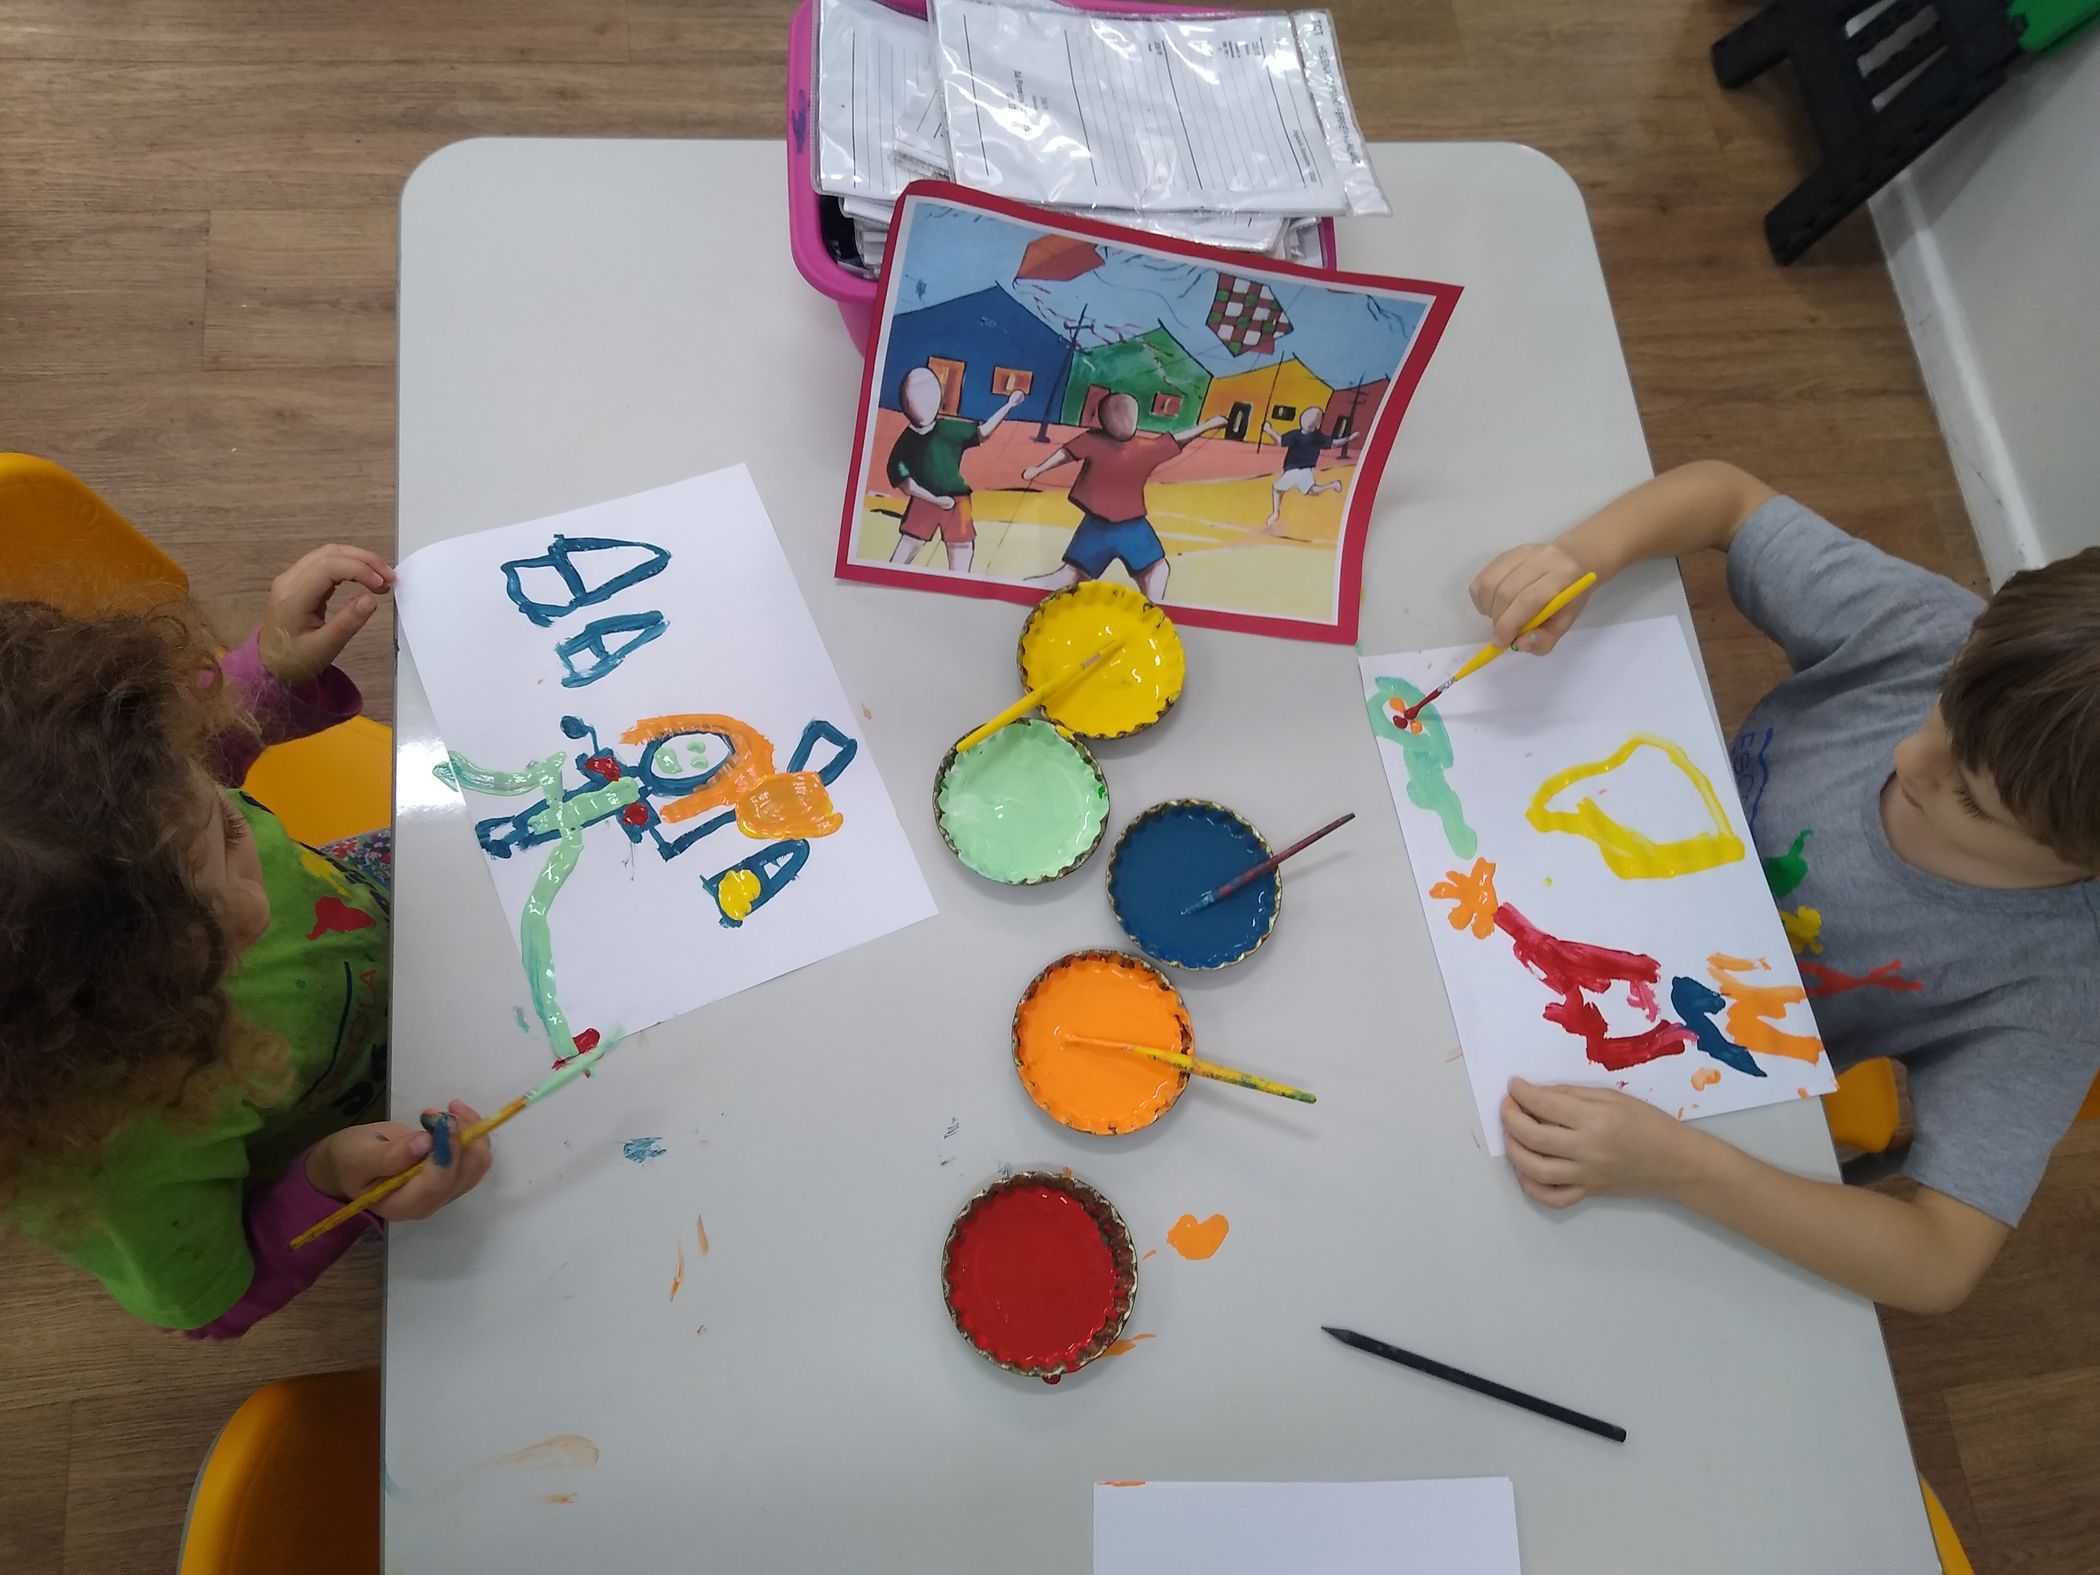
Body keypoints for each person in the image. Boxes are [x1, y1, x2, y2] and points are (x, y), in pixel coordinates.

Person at [1472, 460, 2100, 1315]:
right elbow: (1726, 499)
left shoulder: (2052, 989)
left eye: (1970, 799)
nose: (1909, 756)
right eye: (1944, 708)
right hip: (1577, 867)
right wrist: (1582, 555)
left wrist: (1680, 1168)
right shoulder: (1933, 640)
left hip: (1677, 1069)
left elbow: (1940, 1262)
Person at [1, 546, 492, 1336]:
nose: (253, 911)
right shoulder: (113, 1160)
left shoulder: (120, 787)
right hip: (387, 1124)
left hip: (385, 910)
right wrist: (330, 1178)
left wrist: (271, 670)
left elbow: (195, 751)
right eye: (195, 961)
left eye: (230, 833)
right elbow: (221, 1302)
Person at [1023, 392, 1225, 600]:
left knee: (1074, 574)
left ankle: (1151, 609)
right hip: (1124, 527)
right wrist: (1208, 425)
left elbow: (1066, 454)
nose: (1125, 421)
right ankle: (1152, 610)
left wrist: (1208, 425)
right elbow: (1066, 453)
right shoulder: (1132, 446)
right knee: (1154, 569)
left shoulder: (1131, 446)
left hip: (1108, 526)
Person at [884, 366, 1025, 574]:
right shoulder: (905, 443)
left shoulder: (949, 428)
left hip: (958, 501)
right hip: (924, 501)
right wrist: (937, 500)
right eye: (914, 396)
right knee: (907, 547)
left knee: (961, 550)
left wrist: (1008, 406)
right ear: (905, 401)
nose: (920, 403)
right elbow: (908, 486)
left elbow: (983, 433)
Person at [1260, 405, 1354, 535]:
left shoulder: (1296, 435)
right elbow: (1334, 443)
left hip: (1294, 470)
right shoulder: (1318, 437)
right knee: (1312, 491)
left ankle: (1275, 513)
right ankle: (1332, 485)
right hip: (1306, 470)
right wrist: (1349, 438)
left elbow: (1279, 441)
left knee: (1277, 489)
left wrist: (1269, 430)